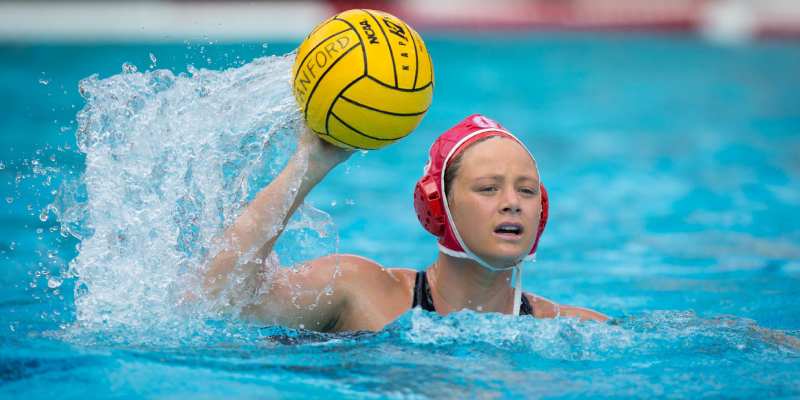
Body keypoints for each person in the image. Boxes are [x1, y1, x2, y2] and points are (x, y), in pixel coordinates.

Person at [204, 114, 609, 332]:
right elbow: (215, 301)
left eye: (526, 190)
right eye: (488, 189)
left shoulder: (579, 329)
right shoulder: (359, 292)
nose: (512, 204)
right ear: (436, 207)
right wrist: (305, 168)